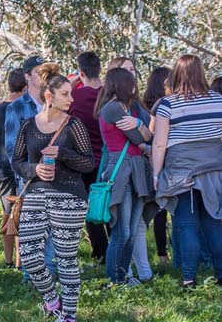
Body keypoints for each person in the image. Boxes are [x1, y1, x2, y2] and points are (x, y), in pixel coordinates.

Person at [12, 63, 94, 322]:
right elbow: (16, 162)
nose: (71, 99)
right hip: (36, 194)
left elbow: (89, 163)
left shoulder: (74, 125)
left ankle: (69, 316)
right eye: (66, 94)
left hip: (69, 196)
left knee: (66, 258)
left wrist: (65, 155)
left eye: (71, 94)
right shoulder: (29, 126)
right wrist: (34, 168)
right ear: (49, 96)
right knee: (30, 253)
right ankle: (52, 300)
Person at [152, 55, 222, 287]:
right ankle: (220, 275)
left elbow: (159, 143)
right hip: (214, 171)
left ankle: (189, 279)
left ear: (177, 74)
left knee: (186, 224)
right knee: (214, 223)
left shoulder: (168, 104)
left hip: (181, 172)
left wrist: (156, 173)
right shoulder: (218, 100)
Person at [95, 68, 155, 284]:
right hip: (121, 171)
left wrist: (140, 126)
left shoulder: (130, 109)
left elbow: (149, 135)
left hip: (137, 169)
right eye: (130, 83)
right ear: (120, 84)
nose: (134, 88)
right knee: (122, 231)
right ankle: (115, 279)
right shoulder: (111, 109)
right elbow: (139, 138)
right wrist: (143, 131)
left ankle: (124, 277)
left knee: (131, 230)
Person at [4, 56, 57, 277]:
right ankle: (31, 279)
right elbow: (11, 148)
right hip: (29, 178)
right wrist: (32, 169)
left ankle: (51, 275)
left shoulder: (55, 102)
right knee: (32, 233)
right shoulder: (16, 108)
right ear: (27, 76)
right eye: (38, 72)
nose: (44, 76)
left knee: (53, 231)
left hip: (56, 175)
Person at [68, 52, 109, 264]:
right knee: (111, 205)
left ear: (81, 72)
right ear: (100, 69)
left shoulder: (76, 97)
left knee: (91, 208)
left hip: (84, 161)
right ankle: (117, 248)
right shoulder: (109, 95)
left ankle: (101, 252)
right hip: (110, 159)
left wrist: (71, 85)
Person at [0, 68, 26, 268]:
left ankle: (9, 260)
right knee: (22, 214)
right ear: (26, 86)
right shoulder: (23, 109)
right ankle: (21, 262)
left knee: (8, 212)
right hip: (22, 168)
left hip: (3, 170)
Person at [142, 67, 172, 265]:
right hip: (165, 158)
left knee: (158, 209)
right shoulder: (168, 105)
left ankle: (161, 254)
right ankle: (164, 254)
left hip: (148, 159)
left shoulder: (142, 106)